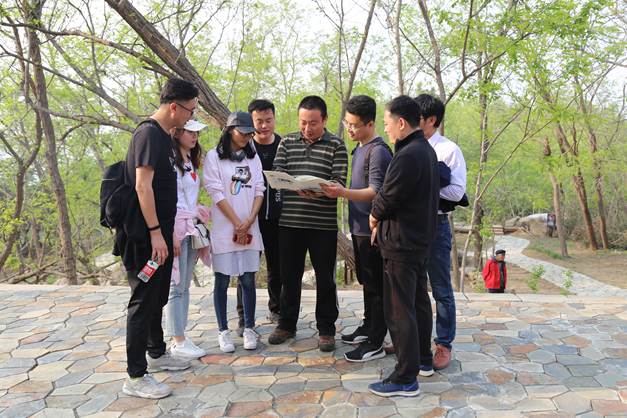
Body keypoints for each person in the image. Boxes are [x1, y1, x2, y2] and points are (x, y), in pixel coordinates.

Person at [119, 78, 198, 399]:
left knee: (157, 296)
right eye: (191, 110)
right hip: (144, 237)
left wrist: (168, 233)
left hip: (161, 233)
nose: (191, 117)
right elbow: (142, 187)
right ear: (174, 107)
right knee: (143, 300)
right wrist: (155, 233)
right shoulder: (149, 134)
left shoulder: (165, 137)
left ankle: (156, 351)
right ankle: (135, 376)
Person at [367, 95, 439, 397]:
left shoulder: (409, 155)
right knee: (418, 303)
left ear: (400, 123)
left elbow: (387, 196)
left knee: (400, 310)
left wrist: (373, 218)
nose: (386, 128)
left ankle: (405, 377)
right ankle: (422, 359)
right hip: (418, 241)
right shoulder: (425, 150)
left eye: (387, 123)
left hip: (402, 243)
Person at [268, 95, 348, 352]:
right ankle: (286, 324)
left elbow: (339, 182)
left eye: (313, 123)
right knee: (289, 276)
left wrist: (319, 189)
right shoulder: (287, 142)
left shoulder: (336, 145)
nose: (307, 128)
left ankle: (326, 329)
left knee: (326, 279)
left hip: (322, 225)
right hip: (290, 223)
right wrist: (293, 185)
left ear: (324, 120)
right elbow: (277, 173)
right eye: (303, 122)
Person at [320, 95, 392, 362]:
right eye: (346, 123)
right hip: (358, 227)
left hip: (372, 229)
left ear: (370, 124)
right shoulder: (360, 148)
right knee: (367, 282)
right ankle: (369, 325)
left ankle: (376, 340)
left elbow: (376, 191)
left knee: (376, 286)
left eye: (354, 125)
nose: (349, 129)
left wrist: (342, 192)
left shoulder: (378, 151)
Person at [203, 111, 265, 352]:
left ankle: (249, 327)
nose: (248, 137)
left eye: (251, 133)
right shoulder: (214, 157)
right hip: (224, 228)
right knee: (222, 280)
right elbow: (215, 192)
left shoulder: (253, 157)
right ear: (230, 130)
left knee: (248, 279)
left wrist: (249, 219)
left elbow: (259, 188)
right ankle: (223, 331)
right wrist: (237, 221)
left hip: (249, 226)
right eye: (244, 132)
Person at [414, 94, 467, 371]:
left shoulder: (448, 150)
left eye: (416, 117)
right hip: (409, 225)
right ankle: (412, 338)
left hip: (436, 224)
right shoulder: (407, 146)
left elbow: (457, 192)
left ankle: (444, 343)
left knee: (441, 289)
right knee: (411, 286)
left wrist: (424, 184)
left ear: (431, 120)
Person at [235, 99, 283, 334]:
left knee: (278, 267)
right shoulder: (244, 148)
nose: (264, 126)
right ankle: (244, 317)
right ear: (251, 122)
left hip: (279, 218)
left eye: (268, 120)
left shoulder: (284, 146)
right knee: (246, 269)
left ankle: (277, 309)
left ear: (274, 119)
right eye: (259, 121)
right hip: (249, 219)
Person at [166, 119, 212, 360]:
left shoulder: (190, 162)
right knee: (176, 286)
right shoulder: (171, 163)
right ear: (177, 133)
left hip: (192, 225)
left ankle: (180, 335)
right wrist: (172, 234)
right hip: (178, 227)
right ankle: (177, 339)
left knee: (184, 286)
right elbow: (171, 201)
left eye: (196, 132)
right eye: (190, 132)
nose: (194, 136)